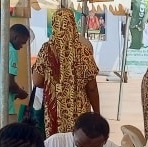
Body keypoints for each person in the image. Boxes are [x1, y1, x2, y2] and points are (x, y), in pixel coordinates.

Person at [33, 8, 100, 137]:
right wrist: (97, 113)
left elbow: (36, 81)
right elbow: (92, 88)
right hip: (80, 112)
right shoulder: (84, 51)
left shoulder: (46, 50)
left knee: (55, 144)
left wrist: (53, 82)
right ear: (73, 24)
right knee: (79, 142)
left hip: (54, 111)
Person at [0, 24, 30, 137]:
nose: (21, 47)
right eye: (22, 43)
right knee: (11, 139)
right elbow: (9, 84)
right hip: (1, 105)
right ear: (15, 37)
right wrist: (21, 93)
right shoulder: (11, 51)